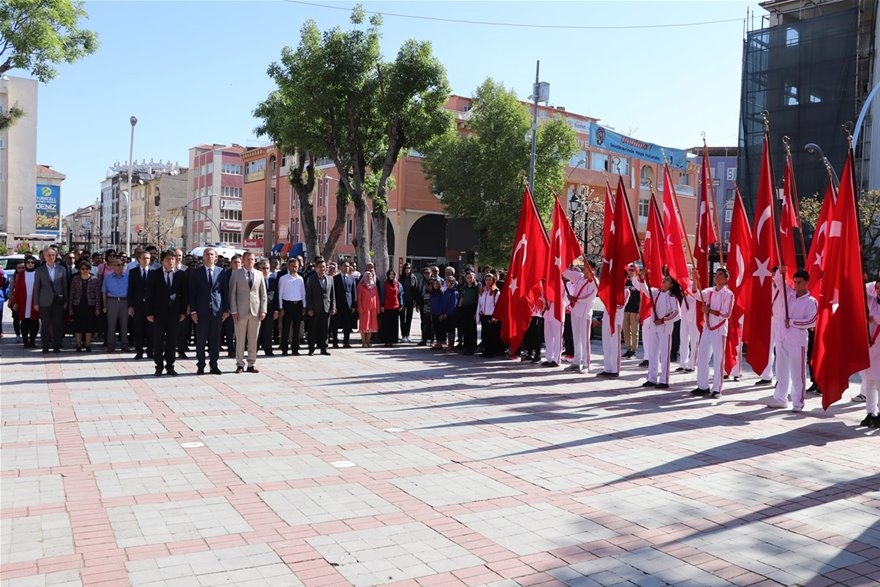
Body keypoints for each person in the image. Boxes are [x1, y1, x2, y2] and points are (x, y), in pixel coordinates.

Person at [765, 268, 818, 412]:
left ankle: (798, 402)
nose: (796, 285)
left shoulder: (811, 301)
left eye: (799, 282)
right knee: (781, 370)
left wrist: (793, 322)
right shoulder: (787, 295)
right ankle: (780, 398)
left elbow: (812, 321)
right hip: (782, 337)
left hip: (797, 340)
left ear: (806, 283)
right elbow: (778, 282)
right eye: (794, 282)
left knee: (797, 372)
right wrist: (779, 273)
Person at [692, 268, 734, 399]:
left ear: (726, 279)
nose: (717, 276)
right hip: (707, 328)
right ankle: (702, 386)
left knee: (718, 359)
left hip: (719, 330)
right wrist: (695, 279)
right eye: (717, 274)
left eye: (720, 274)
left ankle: (717, 388)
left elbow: (726, 314)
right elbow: (696, 294)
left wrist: (709, 311)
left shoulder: (729, 294)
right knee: (702, 357)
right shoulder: (709, 291)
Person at [635, 270, 682, 389]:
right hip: (654, 327)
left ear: (671, 285)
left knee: (664, 355)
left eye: (667, 280)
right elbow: (645, 290)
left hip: (665, 329)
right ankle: (652, 378)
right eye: (664, 279)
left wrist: (663, 320)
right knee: (652, 353)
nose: (663, 281)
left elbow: (677, 314)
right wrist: (642, 278)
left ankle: (664, 380)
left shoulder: (672, 297)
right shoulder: (656, 293)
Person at [146, 250, 188, 376]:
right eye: (169, 259)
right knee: (158, 341)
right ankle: (159, 366)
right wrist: (149, 312)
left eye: (173, 259)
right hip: (158, 313)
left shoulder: (180, 274)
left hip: (174, 313)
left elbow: (184, 294)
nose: (171, 262)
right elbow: (149, 295)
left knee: (172, 341)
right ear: (162, 261)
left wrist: (183, 312)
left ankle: (170, 366)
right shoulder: (154, 274)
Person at [188, 247, 227, 375]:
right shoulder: (196, 272)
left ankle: (214, 365)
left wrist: (225, 309)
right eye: (207, 254)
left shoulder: (222, 272)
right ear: (203, 257)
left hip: (216, 311)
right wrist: (193, 311)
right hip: (201, 311)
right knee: (200, 340)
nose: (209, 256)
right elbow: (192, 293)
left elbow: (224, 292)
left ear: (215, 257)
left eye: (212, 254)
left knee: (215, 340)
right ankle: (201, 365)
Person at [229, 251, 267, 373]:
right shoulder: (236, 274)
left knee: (253, 339)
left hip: (255, 311)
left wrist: (263, 310)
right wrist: (233, 310)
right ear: (243, 261)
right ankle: (240, 363)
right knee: (240, 339)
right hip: (240, 311)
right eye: (248, 259)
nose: (250, 261)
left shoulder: (259, 274)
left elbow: (263, 294)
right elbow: (232, 294)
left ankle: (251, 363)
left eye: (252, 259)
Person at [32, 246, 69, 353]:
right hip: (44, 302)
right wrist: (36, 302)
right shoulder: (39, 270)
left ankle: (56, 345)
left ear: (56, 256)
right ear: (44, 256)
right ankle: (45, 345)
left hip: (58, 301)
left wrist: (66, 301)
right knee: (45, 325)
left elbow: (64, 286)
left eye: (53, 255)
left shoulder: (61, 269)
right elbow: (36, 287)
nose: (51, 257)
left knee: (58, 324)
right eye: (48, 255)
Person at [563, 262, 598, 374]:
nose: (584, 268)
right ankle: (576, 362)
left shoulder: (595, 282)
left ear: (592, 269)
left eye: (586, 267)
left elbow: (589, 297)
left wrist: (575, 299)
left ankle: (586, 364)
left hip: (585, 313)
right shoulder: (579, 277)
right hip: (575, 311)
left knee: (585, 339)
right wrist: (561, 260)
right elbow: (565, 273)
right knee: (576, 337)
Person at [859, 279, 880, 427]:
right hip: (871, 348)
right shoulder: (872, 301)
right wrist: (862, 276)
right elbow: (862, 291)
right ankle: (870, 412)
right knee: (870, 382)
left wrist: (876, 318)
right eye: (877, 288)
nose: (879, 291)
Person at [597, 283, 630, 378]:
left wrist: (610, 301)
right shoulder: (610, 289)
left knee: (615, 345)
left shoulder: (625, 291)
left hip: (616, 320)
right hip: (607, 318)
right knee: (606, 344)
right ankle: (607, 368)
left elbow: (620, 305)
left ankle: (615, 369)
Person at [305, 256, 336, 355]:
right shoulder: (311, 279)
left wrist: (333, 307)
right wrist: (309, 308)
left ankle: (324, 348)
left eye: (324, 267)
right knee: (313, 329)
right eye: (320, 267)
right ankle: (311, 348)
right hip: (314, 308)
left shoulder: (330, 279)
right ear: (316, 268)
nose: (322, 269)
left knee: (325, 329)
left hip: (326, 308)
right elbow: (308, 295)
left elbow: (332, 295)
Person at [69, 260, 102, 352]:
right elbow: (71, 293)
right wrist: (70, 308)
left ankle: (88, 345)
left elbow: (97, 295)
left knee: (89, 326)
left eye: (87, 269)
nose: (85, 270)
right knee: (78, 326)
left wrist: (97, 308)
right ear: (79, 269)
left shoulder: (94, 279)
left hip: (90, 305)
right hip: (78, 305)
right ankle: (78, 345)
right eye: (83, 269)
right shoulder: (75, 279)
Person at [128, 250, 153, 360]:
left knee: (150, 330)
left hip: (150, 306)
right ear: (139, 260)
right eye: (143, 258)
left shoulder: (154, 271)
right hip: (137, 306)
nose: (146, 260)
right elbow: (130, 289)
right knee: (138, 330)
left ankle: (150, 351)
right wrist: (130, 306)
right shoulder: (133, 272)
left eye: (148, 258)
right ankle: (139, 351)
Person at [278, 258, 306, 356]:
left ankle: (295, 348)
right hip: (287, 305)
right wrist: (281, 307)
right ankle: (284, 348)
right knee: (286, 328)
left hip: (298, 304)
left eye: (296, 266)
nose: (294, 268)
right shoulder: (283, 278)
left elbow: (303, 293)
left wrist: (304, 306)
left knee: (296, 328)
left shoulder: (300, 279)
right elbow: (280, 293)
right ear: (288, 266)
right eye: (292, 266)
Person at [101, 257, 129, 352]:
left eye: (121, 265)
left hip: (124, 302)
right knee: (111, 325)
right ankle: (111, 345)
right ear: (113, 266)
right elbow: (104, 292)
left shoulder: (127, 277)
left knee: (124, 325)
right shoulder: (107, 278)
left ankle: (125, 345)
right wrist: (105, 306)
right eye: (117, 265)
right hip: (112, 301)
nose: (120, 267)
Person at [11, 256, 40, 347]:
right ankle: (26, 342)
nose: (30, 264)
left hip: (34, 301)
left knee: (35, 322)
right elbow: (17, 289)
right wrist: (15, 302)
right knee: (24, 322)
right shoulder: (21, 274)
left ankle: (32, 342)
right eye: (28, 262)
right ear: (26, 263)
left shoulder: (38, 273)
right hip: (23, 301)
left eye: (32, 262)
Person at [332, 260, 358, 348]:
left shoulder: (352, 278)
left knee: (347, 324)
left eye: (348, 266)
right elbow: (333, 293)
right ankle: (335, 341)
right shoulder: (336, 278)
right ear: (341, 267)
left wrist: (354, 305)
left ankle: (346, 341)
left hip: (348, 304)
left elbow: (354, 292)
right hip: (338, 305)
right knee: (335, 324)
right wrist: (334, 306)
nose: (346, 268)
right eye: (345, 266)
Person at [675, 278, 698, 373]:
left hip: (695, 315)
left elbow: (696, 295)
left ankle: (692, 364)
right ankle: (683, 362)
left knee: (694, 341)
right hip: (685, 314)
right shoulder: (686, 284)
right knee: (683, 339)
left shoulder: (699, 285)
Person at [257, 259, 279, 356]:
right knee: (257, 331)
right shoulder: (255, 278)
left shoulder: (273, 279)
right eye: (263, 268)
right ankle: (255, 350)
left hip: (270, 309)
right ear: (259, 268)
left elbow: (276, 295)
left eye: (267, 268)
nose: (265, 270)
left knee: (268, 330)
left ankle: (268, 349)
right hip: (257, 309)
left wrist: (276, 310)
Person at [477, 273, 502, 358]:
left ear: (493, 281)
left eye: (490, 280)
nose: (488, 281)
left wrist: (495, 316)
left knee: (491, 335)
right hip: (484, 315)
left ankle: (491, 351)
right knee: (484, 334)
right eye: (487, 279)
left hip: (491, 316)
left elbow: (498, 305)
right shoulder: (482, 290)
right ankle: (485, 350)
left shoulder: (496, 291)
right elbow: (479, 303)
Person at [378, 269, 404, 347]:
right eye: (390, 274)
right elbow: (382, 295)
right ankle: (386, 341)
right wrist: (382, 305)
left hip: (395, 307)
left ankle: (392, 340)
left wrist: (401, 304)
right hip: (386, 307)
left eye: (393, 274)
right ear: (388, 275)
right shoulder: (384, 284)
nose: (392, 275)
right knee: (386, 325)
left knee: (394, 325)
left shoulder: (398, 284)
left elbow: (401, 294)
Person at [458, 270, 480, 355]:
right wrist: (459, 308)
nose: (469, 279)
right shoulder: (464, 287)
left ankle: (472, 347)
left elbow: (478, 300)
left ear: (474, 278)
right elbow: (462, 298)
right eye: (467, 278)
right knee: (465, 329)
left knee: (472, 329)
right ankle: (466, 346)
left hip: (473, 309)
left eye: (471, 277)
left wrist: (476, 313)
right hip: (465, 309)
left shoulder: (477, 287)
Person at [622, 265, 640, 358]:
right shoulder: (626, 281)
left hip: (634, 310)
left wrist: (639, 311)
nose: (631, 271)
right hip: (626, 309)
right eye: (630, 270)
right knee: (625, 330)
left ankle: (633, 350)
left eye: (633, 270)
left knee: (634, 331)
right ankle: (628, 348)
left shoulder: (638, 282)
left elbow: (641, 298)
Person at [357, 270, 379, 347]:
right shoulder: (361, 286)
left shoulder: (374, 286)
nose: (369, 278)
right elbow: (359, 298)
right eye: (368, 276)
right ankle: (363, 342)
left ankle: (368, 341)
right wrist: (360, 307)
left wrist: (377, 308)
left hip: (372, 308)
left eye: (370, 276)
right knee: (363, 325)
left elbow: (376, 298)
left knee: (371, 326)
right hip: (364, 308)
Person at [438, 274, 459, 351]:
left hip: (451, 315)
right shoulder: (445, 292)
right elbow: (442, 303)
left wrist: (447, 314)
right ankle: (445, 343)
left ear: (452, 283)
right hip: (444, 314)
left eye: (448, 282)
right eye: (446, 282)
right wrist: (442, 313)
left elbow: (453, 305)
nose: (446, 284)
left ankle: (451, 344)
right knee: (446, 330)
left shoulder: (454, 293)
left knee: (451, 330)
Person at [399, 263, 418, 343]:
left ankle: (407, 334)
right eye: (406, 268)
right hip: (403, 301)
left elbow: (416, 290)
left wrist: (415, 302)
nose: (407, 269)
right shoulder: (401, 278)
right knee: (402, 318)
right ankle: (403, 335)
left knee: (409, 318)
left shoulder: (413, 277)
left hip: (410, 300)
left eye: (409, 268)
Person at [417, 267, 434, 346]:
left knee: (431, 323)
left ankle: (431, 340)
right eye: (425, 273)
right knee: (424, 322)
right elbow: (419, 292)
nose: (427, 274)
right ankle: (424, 339)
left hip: (432, 304)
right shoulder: (421, 281)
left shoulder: (433, 281)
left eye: (428, 273)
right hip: (423, 303)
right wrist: (418, 303)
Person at [428, 278, 446, 350]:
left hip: (440, 313)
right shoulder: (432, 292)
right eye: (434, 284)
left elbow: (443, 304)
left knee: (440, 329)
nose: (435, 285)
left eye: (437, 284)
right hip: (434, 313)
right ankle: (438, 342)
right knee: (436, 328)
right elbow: (432, 303)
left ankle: (440, 343)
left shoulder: (442, 292)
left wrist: (442, 313)